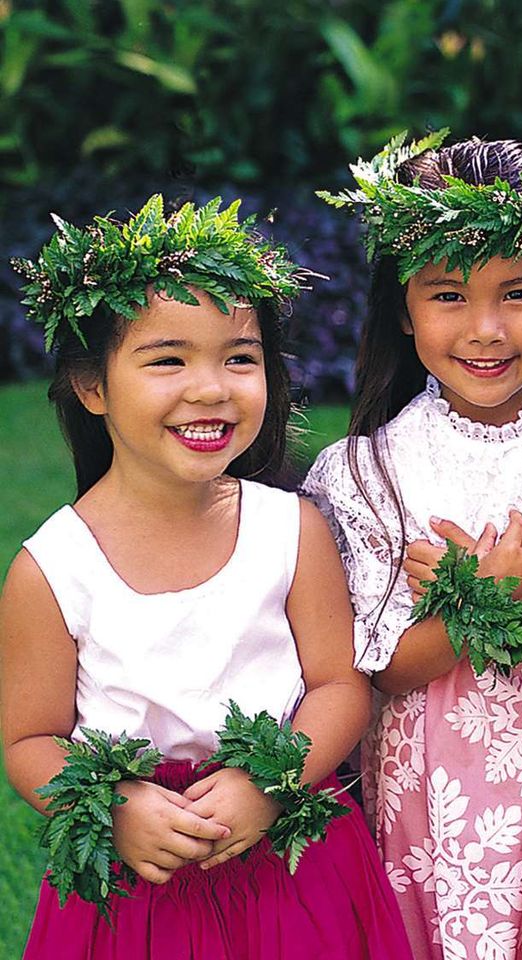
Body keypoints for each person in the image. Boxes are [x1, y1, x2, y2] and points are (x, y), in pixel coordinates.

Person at [0, 196, 412, 958]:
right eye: (168, 359)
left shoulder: (291, 530)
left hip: (293, 860)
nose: (212, 387)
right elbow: (29, 738)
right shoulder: (52, 570)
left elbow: (339, 686)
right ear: (92, 386)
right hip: (137, 887)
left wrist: (272, 783)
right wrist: (114, 808)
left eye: (240, 357)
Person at [303, 124, 522, 959]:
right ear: (402, 308)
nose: (485, 329)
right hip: (429, 777)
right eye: (447, 295)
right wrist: (484, 606)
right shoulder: (367, 471)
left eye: (518, 293)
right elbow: (377, 665)